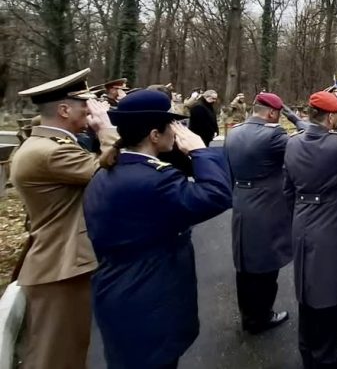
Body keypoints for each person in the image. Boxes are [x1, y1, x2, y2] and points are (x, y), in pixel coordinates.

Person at [84, 90, 232, 369]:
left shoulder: (107, 171)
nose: (176, 133)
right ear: (154, 135)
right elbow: (217, 195)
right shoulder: (153, 179)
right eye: (171, 128)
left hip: (120, 294)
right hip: (148, 303)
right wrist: (200, 150)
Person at [10, 68, 116, 369]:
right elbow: (109, 173)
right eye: (85, 105)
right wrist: (106, 128)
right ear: (64, 109)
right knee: (57, 354)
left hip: (57, 261)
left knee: (64, 347)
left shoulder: (48, 144)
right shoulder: (51, 152)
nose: (90, 111)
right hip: (59, 264)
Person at [284, 91, 337, 369]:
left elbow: (287, 188)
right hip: (333, 224)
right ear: (333, 117)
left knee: (308, 289)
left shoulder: (292, 142)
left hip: (302, 220)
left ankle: (308, 348)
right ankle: (327, 355)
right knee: (333, 293)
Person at [223, 92, 292, 334]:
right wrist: (295, 118)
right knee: (266, 263)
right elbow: (304, 148)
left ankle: (248, 314)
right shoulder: (274, 135)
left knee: (244, 262)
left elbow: (228, 170)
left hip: (242, 199)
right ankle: (261, 316)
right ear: (273, 113)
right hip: (267, 204)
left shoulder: (235, 132)